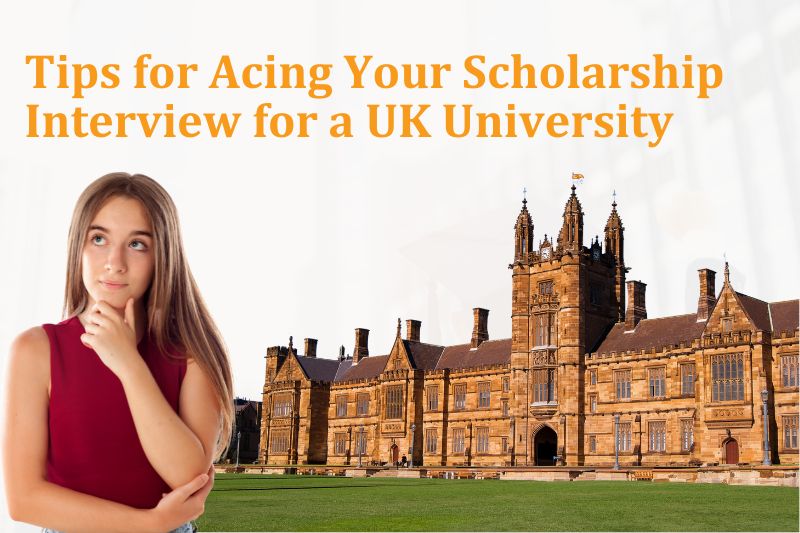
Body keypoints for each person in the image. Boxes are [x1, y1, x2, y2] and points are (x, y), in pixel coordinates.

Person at [2, 173, 234, 532]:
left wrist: (128, 364)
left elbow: (188, 475)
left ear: (162, 256)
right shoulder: (36, 350)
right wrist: (149, 524)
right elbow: (24, 500)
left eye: (137, 244)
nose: (115, 262)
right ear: (77, 246)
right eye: (99, 239)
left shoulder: (191, 353)